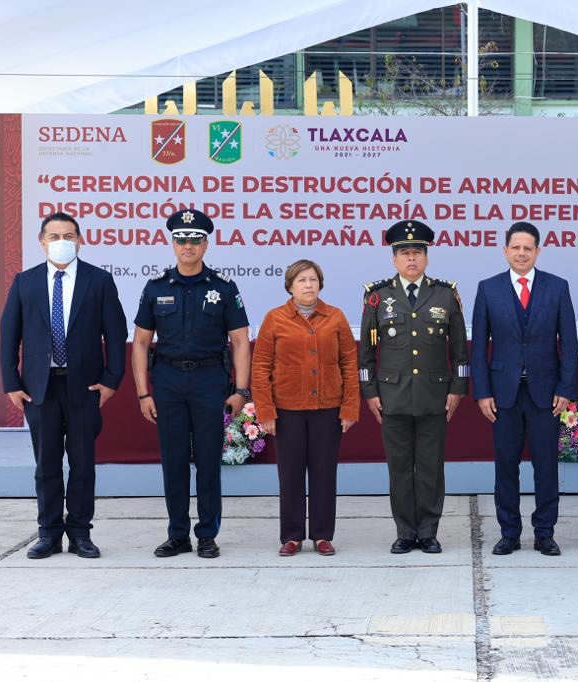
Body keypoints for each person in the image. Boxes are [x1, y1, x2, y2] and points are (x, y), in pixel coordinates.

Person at [0, 212, 127, 560]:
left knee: (83, 464)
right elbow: (8, 335)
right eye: (54, 236)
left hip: (84, 387)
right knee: (47, 465)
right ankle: (49, 534)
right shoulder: (24, 282)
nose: (61, 242)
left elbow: (116, 334)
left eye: (68, 236)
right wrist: (11, 383)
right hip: (39, 389)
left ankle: (81, 534)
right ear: (42, 242)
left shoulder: (98, 281)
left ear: (80, 241)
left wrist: (111, 380)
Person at [132, 208, 251, 559]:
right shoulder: (156, 287)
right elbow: (140, 343)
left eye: (195, 240)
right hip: (168, 381)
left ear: (205, 244)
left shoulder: (223, 288)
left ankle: (207, 535)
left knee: (209, 461)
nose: (188, 245)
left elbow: (240, 341)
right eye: (182, 239)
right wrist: (143, 393)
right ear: (173, 244)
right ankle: (178, 534)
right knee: (173, 461)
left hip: (208, 380)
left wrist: (241, 391)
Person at [359, 220, 469, 554]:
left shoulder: (445, 294)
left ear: (426, 257)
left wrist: (457, 389)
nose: (411, 258)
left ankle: (429, 532)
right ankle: (406, 532)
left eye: (417, 252)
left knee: (431, 468)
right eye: (405, 253)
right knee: (400, 469)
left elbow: (459, 351)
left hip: (434, 396)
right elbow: (366, 354)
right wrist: (370, 393)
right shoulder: (378, 296)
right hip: (392, 397)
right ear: (394, 259)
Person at [471, 222, 578, 556]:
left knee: (546, 466)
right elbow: (479, 346)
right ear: (505, 251)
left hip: (546, 394)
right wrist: (482, 392)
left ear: (537, 251)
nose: (521, 253)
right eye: (515, 247)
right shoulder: (488, 288)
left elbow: (569, 342)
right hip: (503, 394)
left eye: (527, 248)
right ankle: (510, 533)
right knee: (505, 466)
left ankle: (545, 533)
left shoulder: (557, 287)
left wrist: (566, 388)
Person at [252, 260, 359, 556]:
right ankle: (292, 535)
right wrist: (266, 411)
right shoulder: (275, 318)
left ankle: (322, 535)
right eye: (301, 280)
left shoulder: (335, 317)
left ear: (320, 284)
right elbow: (260, 368)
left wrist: (350, 407)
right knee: (290, 473)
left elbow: (349, 364)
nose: (308, 285)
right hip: (287, 410)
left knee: (324, 472)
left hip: (328, 408)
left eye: (313, 279)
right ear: (290, 286)